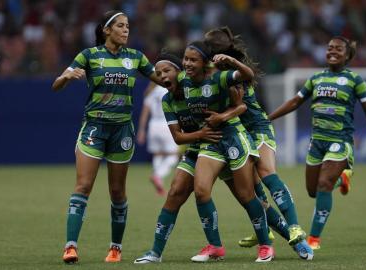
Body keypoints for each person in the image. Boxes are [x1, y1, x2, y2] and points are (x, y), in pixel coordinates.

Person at [52, 10, 163, 264]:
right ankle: (70, 247)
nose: (126, 30)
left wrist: (184, 78)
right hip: (94, 128)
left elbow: (163, 79)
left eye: (127, 26)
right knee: (83, 186)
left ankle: (115, 248)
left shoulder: (135, 58)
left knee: (117, 192)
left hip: (121, 131)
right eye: (121, 26)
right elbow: (56, 85)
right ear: (106, 30)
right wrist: (66, 77)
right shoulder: (89, 56)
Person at [268, 36, 366, 250]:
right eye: (329, 48)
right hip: (317, 143)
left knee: (324, 184)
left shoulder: (354, 80)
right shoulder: (315, 78)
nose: (332, 51)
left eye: (338, 49)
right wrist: (268, 118)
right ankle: (343, 179)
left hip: (340, 141)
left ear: (347, 54)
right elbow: (296, 101)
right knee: (313, 191)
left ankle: (314, 238)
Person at [204, 26, 313, 260]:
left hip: (258, 129)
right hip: (240, 133)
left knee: (267, 173)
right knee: (252, 192)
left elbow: (241, 106)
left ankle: (294, 226)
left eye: (208, 48)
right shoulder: (215, 75)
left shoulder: (235, 74)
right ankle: (265, 231)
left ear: (215, 50)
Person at [134, 53, 245, 263]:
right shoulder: (167, 99)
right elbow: (177, 137)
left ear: (180, 72)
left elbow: (234, 98)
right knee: (175, 192)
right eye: (158, 74)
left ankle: (288, 236)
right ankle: (155, 253)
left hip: (222, 145)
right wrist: (199, 135)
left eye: (167, 71)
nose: (162, 76)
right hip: (197, 148)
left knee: (247, 197)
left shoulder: (198, 88)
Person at [180, 41, 274, 263]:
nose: (187, 63)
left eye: (193, 60)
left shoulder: (219, 78)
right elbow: (164, 75)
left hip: (234, 137)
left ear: (205, 63)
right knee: (201, 191)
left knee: (246, 195)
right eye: (185, 58)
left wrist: (231, 61)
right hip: (211, 140)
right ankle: (215, 247)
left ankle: (266, 246)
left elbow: (248, 75)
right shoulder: (182, 80)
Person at [137, 82, 179, 196]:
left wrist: (141, 130)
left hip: (153, 125)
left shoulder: (151, 92)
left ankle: (158, 182)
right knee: (173, 156)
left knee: (158, 155)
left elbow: (144, 113)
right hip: (167, 124)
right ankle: (158, 176)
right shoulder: (168, 90)